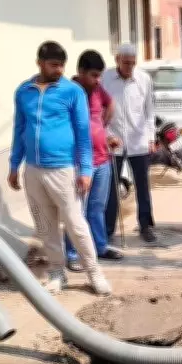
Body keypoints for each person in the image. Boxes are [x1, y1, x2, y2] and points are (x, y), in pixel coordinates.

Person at [8, 41, 111, 295]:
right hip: (33, 170)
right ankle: (57, 273)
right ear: (40, 63)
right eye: (54, 65)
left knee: (75, 224)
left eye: (62, 65)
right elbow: (19, 130)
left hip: (63, 169)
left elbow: (83, 134)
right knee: (45, 226)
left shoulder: (72, 92)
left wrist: (85, 170)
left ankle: (94, 272)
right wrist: (14, 165)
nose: (59, 70)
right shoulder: (24, 92)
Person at [63, 50, 124, 273]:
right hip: (78, 163)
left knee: (97, 208)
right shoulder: (68, 92)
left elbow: (111, 104)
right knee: (76, 211)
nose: (98, 80)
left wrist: (104, 132)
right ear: (80, 71)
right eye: (94, 75)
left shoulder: (98, 90)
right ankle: (72, 253)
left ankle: (99, 246)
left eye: (100, 76)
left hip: (102, 159)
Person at [101, 43, 157, 243]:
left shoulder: (144, 79)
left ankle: (146, 226)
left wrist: (151, 138)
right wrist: (106, 135)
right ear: (117, 60)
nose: (129, 67)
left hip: (138, 139)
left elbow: (149, 111)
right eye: (126, 63)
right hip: (113, 142)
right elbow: (99, 110)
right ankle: (108, 229)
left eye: (133, 63)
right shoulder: (105, 78)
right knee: (111, 188)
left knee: (143, 186)